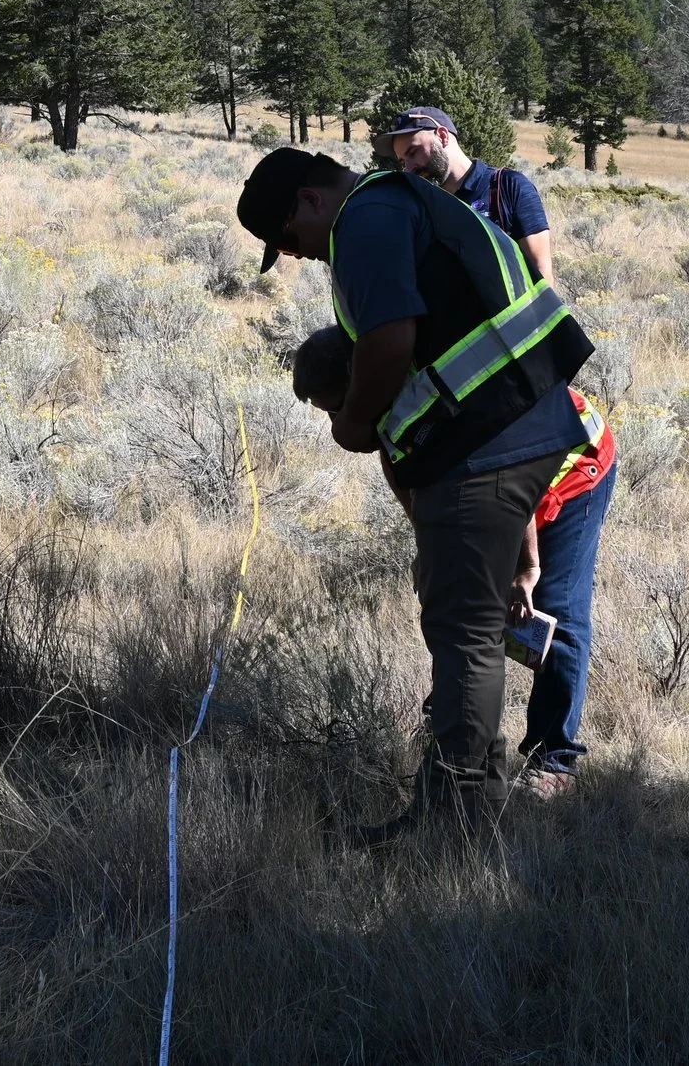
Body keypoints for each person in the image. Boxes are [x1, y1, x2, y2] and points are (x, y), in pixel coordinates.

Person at [238, 146, 593, 839]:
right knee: (473, 630)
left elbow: (391, 340)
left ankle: (453, 827)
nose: (301, 254)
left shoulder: (363, 218)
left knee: (465, 639)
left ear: (310, 201)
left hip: (487, 444)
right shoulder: (396, 203)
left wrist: (352, 423)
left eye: (290, 240)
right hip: (515, 427)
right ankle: (457, 805)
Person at [293, 326, 617, 799]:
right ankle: (463, 722)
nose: (338, 422)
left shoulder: (440, 391)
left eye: (338, 407)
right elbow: (409, 478)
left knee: (554, 608)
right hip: (502, 480)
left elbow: (505, 472)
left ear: (358, 377)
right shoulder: (386, 405)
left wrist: (525, 567)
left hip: (571, 468)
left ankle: (555, 758)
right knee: (461, 594)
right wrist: (432, 548)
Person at [380, 105, 554, 282]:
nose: (409, 169)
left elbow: (542, 276)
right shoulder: (423, 207)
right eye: (403, 161)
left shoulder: (507, 186)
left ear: (442, 136)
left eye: (413, 152)